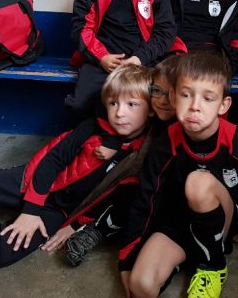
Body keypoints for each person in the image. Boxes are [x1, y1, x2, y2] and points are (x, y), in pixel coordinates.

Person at [0, 64, 152, 269]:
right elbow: (52, 161)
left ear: (151, 108)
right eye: (113, 103)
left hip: (59, 211)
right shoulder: (92, 127)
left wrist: (75, 225)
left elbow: (113, 199)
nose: (119, 113)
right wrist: (30, 211)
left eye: (132, 104)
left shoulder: (143, 155)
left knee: (2, 252)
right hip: (37, 181)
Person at [118, 51, 238, 298]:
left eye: (208, 98)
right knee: (141, 289)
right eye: (186, 95)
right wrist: (127, 259)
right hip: (177, 224)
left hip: (219, 219)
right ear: (173, 98)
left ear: (223, 105)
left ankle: (212, 267)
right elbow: (146, 199)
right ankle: (188, 256)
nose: (195, 106)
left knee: (199, 182)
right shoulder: (164, 144)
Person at [62, 55, 180, 267]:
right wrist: (77, 220)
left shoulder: (187, 125)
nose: (163, 100)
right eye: (157, 91)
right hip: (136, 195)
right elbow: (107, 100)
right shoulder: (145, 122)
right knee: (131, 189)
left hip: (170, 202)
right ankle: (97, 229)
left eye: (171, 94)